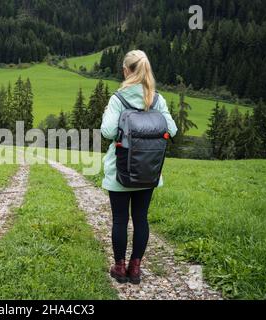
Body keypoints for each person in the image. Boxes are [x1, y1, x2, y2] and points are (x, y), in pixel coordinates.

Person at [100, 50, 178, 285]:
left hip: (121, 172)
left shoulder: (118, 98)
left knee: (120, 220)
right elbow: (171, 130)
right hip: (149, 172)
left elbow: (108, 132)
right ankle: (135, 269)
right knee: (141, 218)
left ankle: (119, 268)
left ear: (126, 70)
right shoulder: (156, 99)